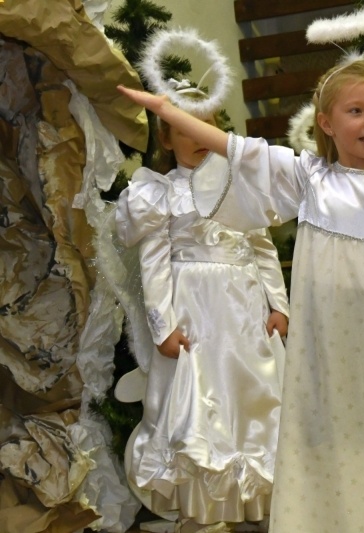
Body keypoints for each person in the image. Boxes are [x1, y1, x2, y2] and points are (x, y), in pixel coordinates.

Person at [118, 55, 364, 533]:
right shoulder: (309, 179)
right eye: (357, 111)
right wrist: (168, 109)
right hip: (331, 353)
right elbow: (236, 149)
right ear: (326, 122)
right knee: (335, 444)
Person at [115, 95, 289, 531]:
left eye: (206, 127)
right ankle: (206, 510)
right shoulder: (161, 193)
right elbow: (154, 264)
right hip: (195, 317)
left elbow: (263, 248)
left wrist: (278, 305)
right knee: (200, 411)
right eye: (184, 129)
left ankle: (260, 503)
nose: (197, 138)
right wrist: (163, 326)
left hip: (245, 314)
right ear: (167, 138)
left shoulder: (239, 185)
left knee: (254, 404)